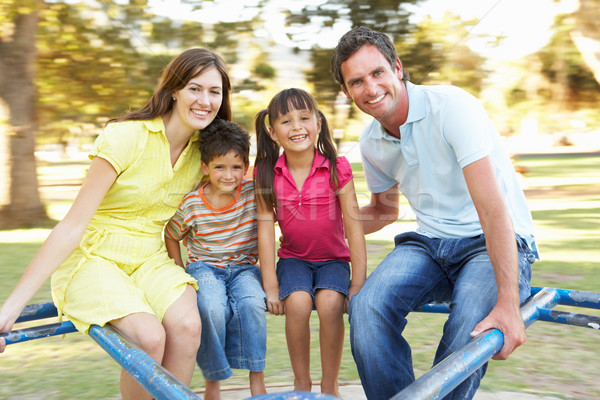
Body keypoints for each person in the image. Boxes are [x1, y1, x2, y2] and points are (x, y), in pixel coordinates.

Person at [0, 48, 232, 400]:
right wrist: (12, 306)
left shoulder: (205, 151)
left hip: (149, 258)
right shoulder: (126, 137)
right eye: (194, 89)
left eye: (214, 92)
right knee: (150, 337)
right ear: (173, 90)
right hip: (94, 257)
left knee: (187, 326)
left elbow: (242, 180)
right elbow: (73, 224)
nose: (205, 100)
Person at [331, 27, 539, 400]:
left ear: (397, 68)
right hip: (428, 244)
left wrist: (509, 306)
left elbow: (492, 211)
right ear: (347, 93)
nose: (370, 88)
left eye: (377, 73)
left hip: (489, 241)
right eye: (357, 81)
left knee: (468, 327)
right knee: (366, 307)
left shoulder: (451, 107)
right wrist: (318, 225)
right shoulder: (371, 142)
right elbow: (383, 211)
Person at [254, 88, 367, 396]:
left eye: (304, 118)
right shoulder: (266, 171)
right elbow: (265, 229)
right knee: (299, 303)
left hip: (333, 260)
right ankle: (301, 383)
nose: (297, 127)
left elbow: (355, 228)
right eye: (286, 121)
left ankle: (329, 385)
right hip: (293, 260)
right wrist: (270, 285)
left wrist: (357, 284)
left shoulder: (335, 166)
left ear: (318, 123)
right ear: (273, 131)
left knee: (330, 304)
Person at [164, 119, 267, 400]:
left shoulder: (252, 191)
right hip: (204, 267)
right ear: (205, 168)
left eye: (236, 167)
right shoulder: (192, 203)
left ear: (246, 167)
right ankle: (214, 380)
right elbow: (171, 235)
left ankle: (256, 378)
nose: (228, 175)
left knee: (252, 304)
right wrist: (180, 271)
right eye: (219, 167)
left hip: (244, 268)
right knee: (210, 307)